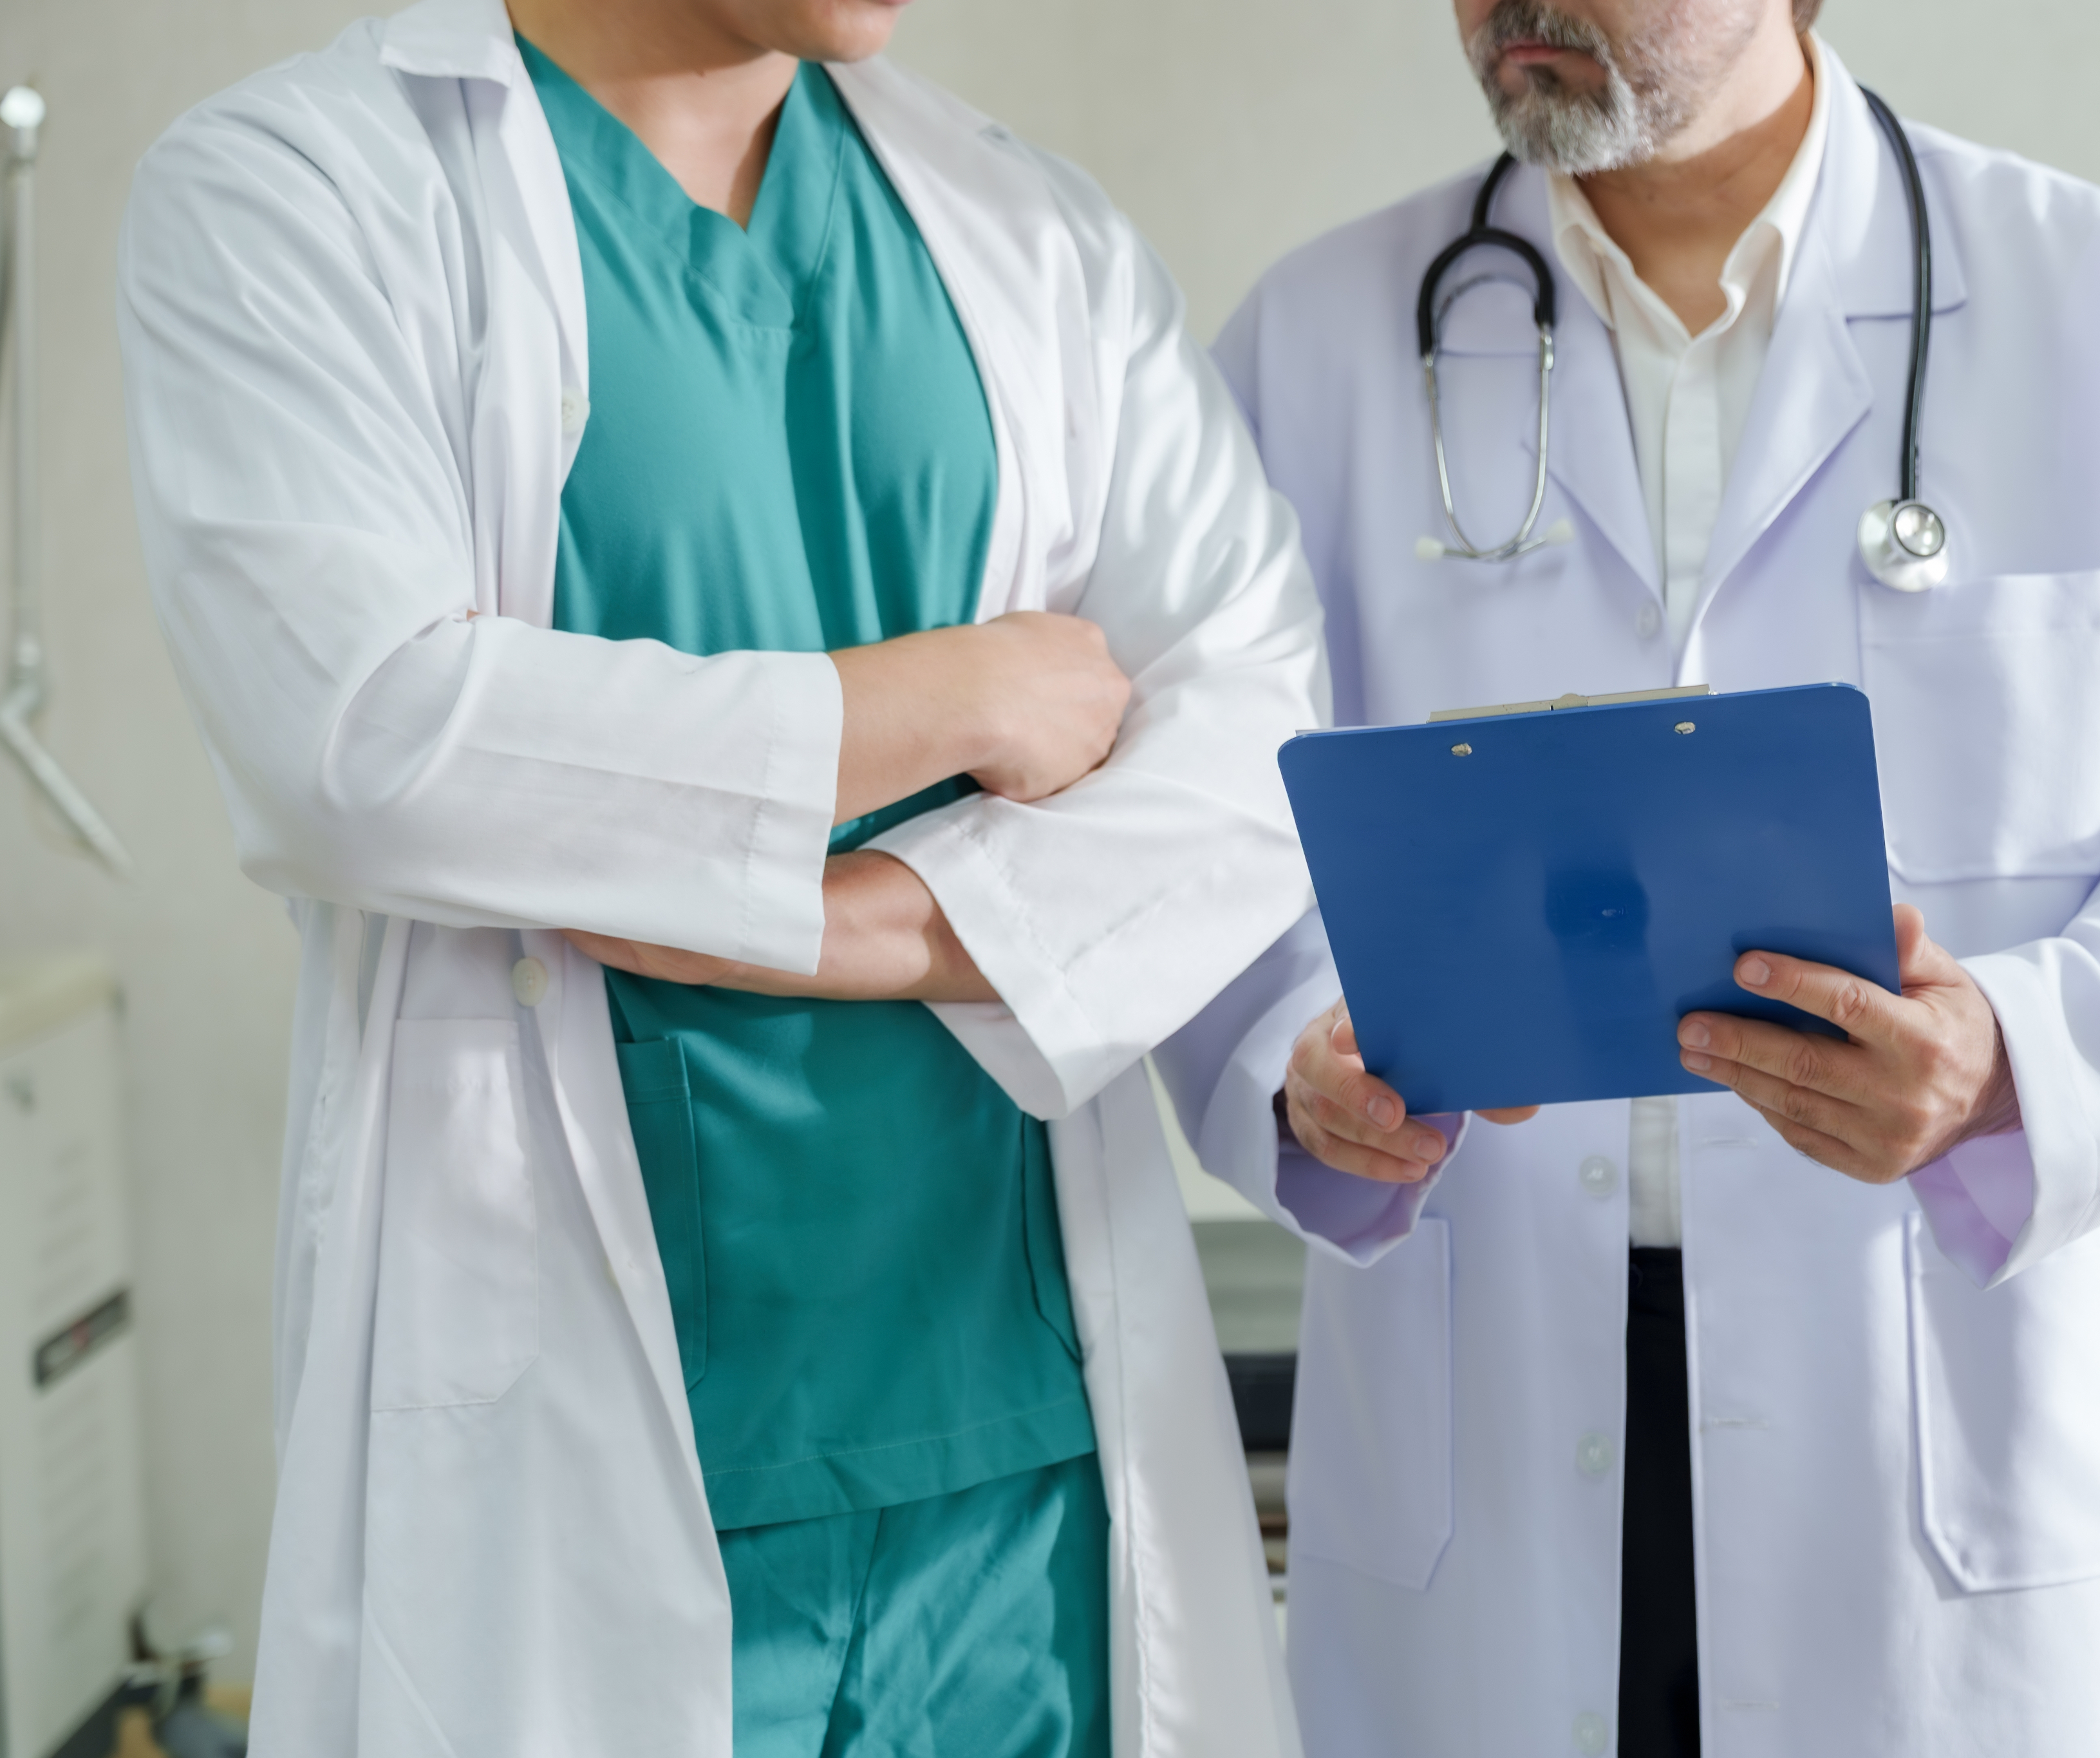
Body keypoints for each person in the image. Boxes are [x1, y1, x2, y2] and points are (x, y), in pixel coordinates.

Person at [1157, 1, 2100, 1753]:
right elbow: (1201, 842)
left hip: (1938, 1437)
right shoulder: (1319, 344)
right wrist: (1297, 1063)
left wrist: (2012, 1058)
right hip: (1501, 1417)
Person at [117, 0, 1319, 1750]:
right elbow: (371, 737)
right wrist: (952, 694)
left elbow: (1244, 745)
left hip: (1015, 1442)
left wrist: (849, 929)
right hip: (576, 1422)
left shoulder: (1030, 234)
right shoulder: (295, 189)